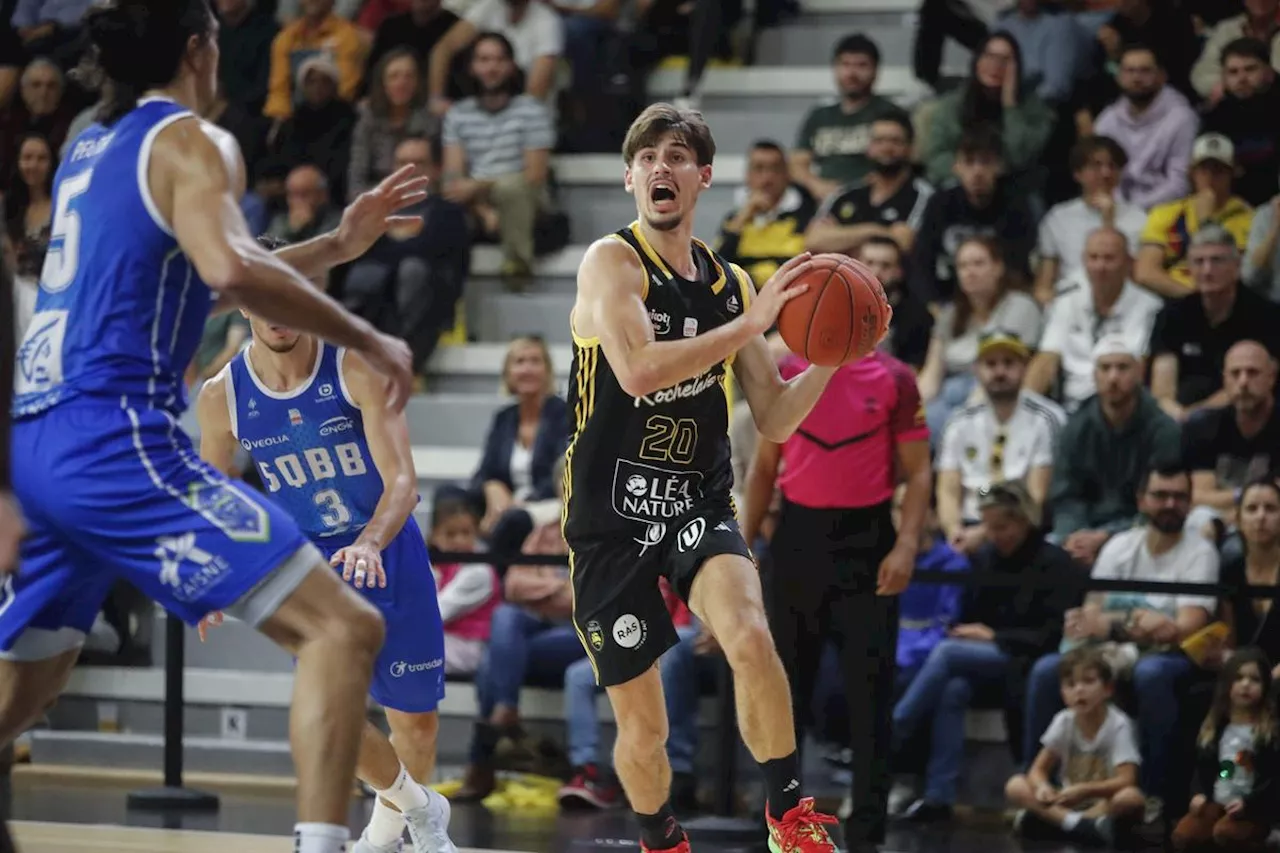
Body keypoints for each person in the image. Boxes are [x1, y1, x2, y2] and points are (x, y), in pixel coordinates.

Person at [1, 5, 418, 853]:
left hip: (36, 441)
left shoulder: (91, 145)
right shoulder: (195, 140)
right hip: (114, 439)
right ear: (199, 49)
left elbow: (212, 282)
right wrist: (365, 333)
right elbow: (231, 267)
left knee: (23, 693)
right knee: (345, 629)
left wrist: (336, 243)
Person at [566, 102, 844, 853]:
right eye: (649, 156)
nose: (663, 166)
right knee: (645, 729)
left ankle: (790, 819)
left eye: (679, 156)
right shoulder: (611, 262)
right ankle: (661, 839)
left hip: (695, 498)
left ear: (703, 178)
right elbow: (638, 368)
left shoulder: (731, 283)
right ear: (629, 178)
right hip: (610, 516)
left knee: (751, 635)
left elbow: (778, 417)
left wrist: (832, 353)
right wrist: (752, 327)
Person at [196, 291, 456, 853]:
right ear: (245, 305)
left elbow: (404, 483)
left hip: (387, 550)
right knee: (335, 712)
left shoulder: (354, 364)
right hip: (311, 569)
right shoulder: (222, 396)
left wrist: (368, 542)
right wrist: (213, 576)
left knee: (416, 726)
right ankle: (418, 812)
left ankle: (384, 834)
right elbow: (218, 498)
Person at [742, 347, 931, 850]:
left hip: (868, 545)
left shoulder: (896, 377)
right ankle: (782, 824)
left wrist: (907, 545)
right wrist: (741, 545)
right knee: (784, 696)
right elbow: (763, 468)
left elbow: (919, 472)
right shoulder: (784, 370)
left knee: (870, 698)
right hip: (797, 540)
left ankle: (868, 833)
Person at [1006, 646, 1145, 846]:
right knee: (1016, 785)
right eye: (1070, 684)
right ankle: (1078, 825)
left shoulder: (1118, 724)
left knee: (1130, 798)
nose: (1079, 690)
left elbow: (1127, 779)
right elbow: (1037, 770)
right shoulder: (1064, 720)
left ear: (1107, 689)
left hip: (1102, 804)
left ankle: (1056, 823)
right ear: (1063, 693)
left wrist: (1085, 790)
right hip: (1068, 802)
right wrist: (1042, 787)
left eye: (1088, 681)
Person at [1172, 648, 1279, 853]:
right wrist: (1199, 793)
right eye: (1238, 678)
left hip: (1254, 807)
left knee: (1226, 834)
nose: (1245, 684)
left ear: (1265, 686)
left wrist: (1249, 804)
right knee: (1185, 836)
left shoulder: (1269, 733)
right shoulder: (1217, 727)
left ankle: (1267, 839)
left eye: (1254, 679)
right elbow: (1209, 768)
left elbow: (1273, 779)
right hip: (1219, 799)